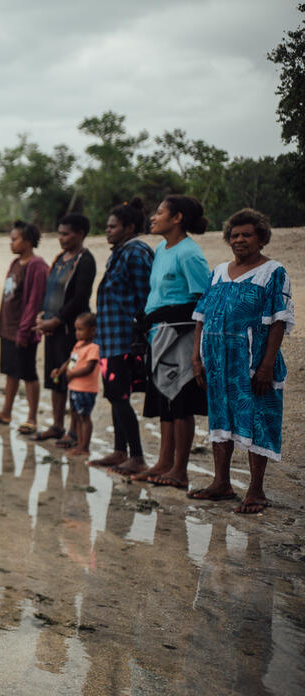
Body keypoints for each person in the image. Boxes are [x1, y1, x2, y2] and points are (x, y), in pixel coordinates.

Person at [190, 209, 293, 513]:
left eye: (246, 234)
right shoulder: (219, 271)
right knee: (220, 420)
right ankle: (221, 483)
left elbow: (278, 321)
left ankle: (256, 490)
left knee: (258, 419)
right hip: (217, 363)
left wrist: (266, 364)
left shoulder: (273, 272)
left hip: (252, 362)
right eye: (234, 235)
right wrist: (196, 358)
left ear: (261, 237)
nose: (239, 240)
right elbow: (201, 317)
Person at [131, 195, 211, 488]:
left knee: (180, 403)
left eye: (160, 212)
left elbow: (205, 297)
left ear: (177, 218)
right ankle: (164, 462)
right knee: (164, 402)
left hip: (181, 336)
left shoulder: (188, 253)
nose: (153, 217)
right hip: (159, 335)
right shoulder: (163, 249)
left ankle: (180, 470)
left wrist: (166, 314)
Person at [90, 198, 154, 475]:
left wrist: (141, 336)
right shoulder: (118, 252)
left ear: (129, 227)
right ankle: (119, 451)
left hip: (125, 339)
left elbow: (145, 298)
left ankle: (137, 456)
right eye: (107, 227)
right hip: (109, 338)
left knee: (121, 397)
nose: (108, 231)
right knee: (115, 396)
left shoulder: (136, 253)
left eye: (113, 227)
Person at [0, 221, 49, 433]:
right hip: (9, 329)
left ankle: (32, 418)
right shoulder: (15, 263)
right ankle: (6, 412)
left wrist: (24, 329)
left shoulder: (36, 266)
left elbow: (34, 301)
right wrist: (0, 323)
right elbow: (7, 296)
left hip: (24, 331)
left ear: (28, 241)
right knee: (11, 371)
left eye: (15, 239)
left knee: (28, 373)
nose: (11, 243)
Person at [35, 214, 97, 442]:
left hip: (72, 332)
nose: (61, 238)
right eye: (59, 233)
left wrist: (58, 320)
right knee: (55, 376)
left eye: (66, 234)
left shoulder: (85, 261)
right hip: (52, 330)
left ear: (80, 234)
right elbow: (50, 289)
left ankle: (73, 431)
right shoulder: (61, 257)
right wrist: (43, 316)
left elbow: (80, 298)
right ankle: (57, 425)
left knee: (71, 376)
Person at [53, 312, 101, 456]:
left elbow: (89, 367)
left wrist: (72, 374)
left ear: (93, 330)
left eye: (80, 329)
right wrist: (59, 372)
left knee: (84, 417)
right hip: (74, 388)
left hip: (86, 389)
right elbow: (70, 361)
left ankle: (85, 447)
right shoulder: (78, 345)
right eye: (76, 329)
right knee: (77, 416)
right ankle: (79, 443)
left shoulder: (94, 347)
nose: (76, 333)